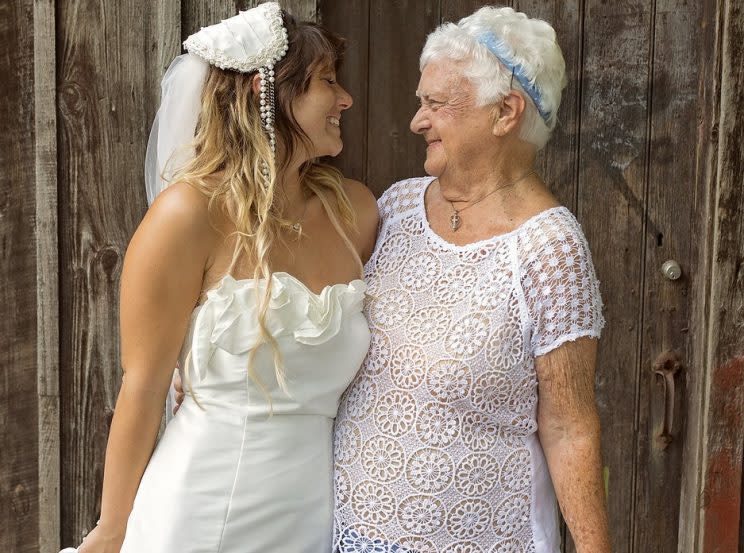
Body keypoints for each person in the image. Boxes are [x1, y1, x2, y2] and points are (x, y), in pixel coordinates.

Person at [62, 3, 378, 553]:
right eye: (328, 82)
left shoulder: (356, 212)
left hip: (314, 517)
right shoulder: (187, 216)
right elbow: (142, 387)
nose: (346, 99)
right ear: (267, 91)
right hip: (204, 512)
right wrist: (112, 530)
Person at [332, 6, 611, 553]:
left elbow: (570, 426)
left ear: (505, 113)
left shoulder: (548, 250)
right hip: (347, 531)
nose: (417, 121)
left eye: (435, 103)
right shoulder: (399, 205)